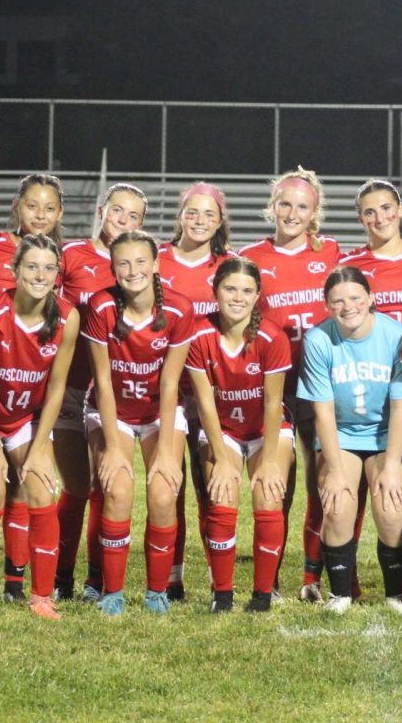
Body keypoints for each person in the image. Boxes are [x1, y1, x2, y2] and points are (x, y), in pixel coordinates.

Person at [0, 234, 79, 620]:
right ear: (15, 270)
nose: (40, 275)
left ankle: (41, 597)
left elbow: (57, 386)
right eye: (31, 266)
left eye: (48, 268)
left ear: (57, 274)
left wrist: (41, 447)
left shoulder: (67, 317)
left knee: (42, 491)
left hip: (27, 420)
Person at [239, 167, 341, 602]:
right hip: (274, 384)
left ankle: (312, 577)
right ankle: (271, 578)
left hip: (322, 383)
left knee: (324, 480)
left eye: (302, 205)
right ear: (272, 207)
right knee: (278, 481)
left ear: (314, 211)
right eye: (285, 203)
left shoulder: (334, 254)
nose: (292, 212)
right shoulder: (251, 257)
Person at [83, 230, 195, 616]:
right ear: (113, 269)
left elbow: (169, 383)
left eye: (140, 261)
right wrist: (114, 448)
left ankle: (155, 591)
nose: (133, 271)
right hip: (110, 407)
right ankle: (111, 591)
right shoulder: (100, 307)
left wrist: (165, 451)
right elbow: (103, 382)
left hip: (157, 412)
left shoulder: (180, 310)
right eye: (123, 263)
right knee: (116, 489)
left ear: (157, 264)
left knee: (164, 492)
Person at [340, 178, 402, 603]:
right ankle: (342, 566)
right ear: (360, 219)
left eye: (385, 208)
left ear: (400, 211)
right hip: (369, 380)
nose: (378, 218)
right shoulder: (352, 263)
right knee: (355, 474)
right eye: (369, 212)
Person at [297, 266, 402, 614]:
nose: (348, 307)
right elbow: (325, 412)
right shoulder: (318, 339)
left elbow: (400, 405)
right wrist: (332, 469)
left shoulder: (397, 335)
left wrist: (392, 465)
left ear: (370, 298)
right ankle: (340, 593)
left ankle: (396, 594)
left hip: (384, 435)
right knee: (337, 502)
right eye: (337, 301)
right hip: (342, 435)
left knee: (391, 507)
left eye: (355, 298)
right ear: (327, 305)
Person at [0, 173, 66, 602]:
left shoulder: (64, 307)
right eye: (33, 205)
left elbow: (58, 384)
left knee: (38, 484)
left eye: (50, 207)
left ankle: (27, 589)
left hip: (28, 411)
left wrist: (42, 442)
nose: (41, 215)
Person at [53, 183, 147, 602]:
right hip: (64, 385)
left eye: (134, 217)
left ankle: (94, 579)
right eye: (118, 212)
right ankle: (58, 577)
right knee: (73, 487)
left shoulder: (138, 262)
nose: (124, 222)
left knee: (100, 484)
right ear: (101, 210)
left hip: (108, 391)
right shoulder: (72, 254)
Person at [186, 258, 293, 612]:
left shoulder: (272, 338)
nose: (238, 297)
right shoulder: (199, 335)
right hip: (223, 429)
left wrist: (271, 461)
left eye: (247, 291)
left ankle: (262, 595)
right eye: (230, 289)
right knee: (223, 494)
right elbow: (204, 403)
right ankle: (223, 595)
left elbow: (274, 403)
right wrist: (219, 458)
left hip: (266, 429)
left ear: (258, 295)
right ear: (215, 291)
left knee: (268, 493)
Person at [157, 181, 237, 602]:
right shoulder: (156, 261)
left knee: (211, 484)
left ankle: (216, 574)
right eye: (193, 212)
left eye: (209, 214)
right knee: (170, 485)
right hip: (165, 391)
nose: (200, 220)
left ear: (221, 220)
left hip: (213, 392)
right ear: (180, 215)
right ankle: (172, 577)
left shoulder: (229, 267)